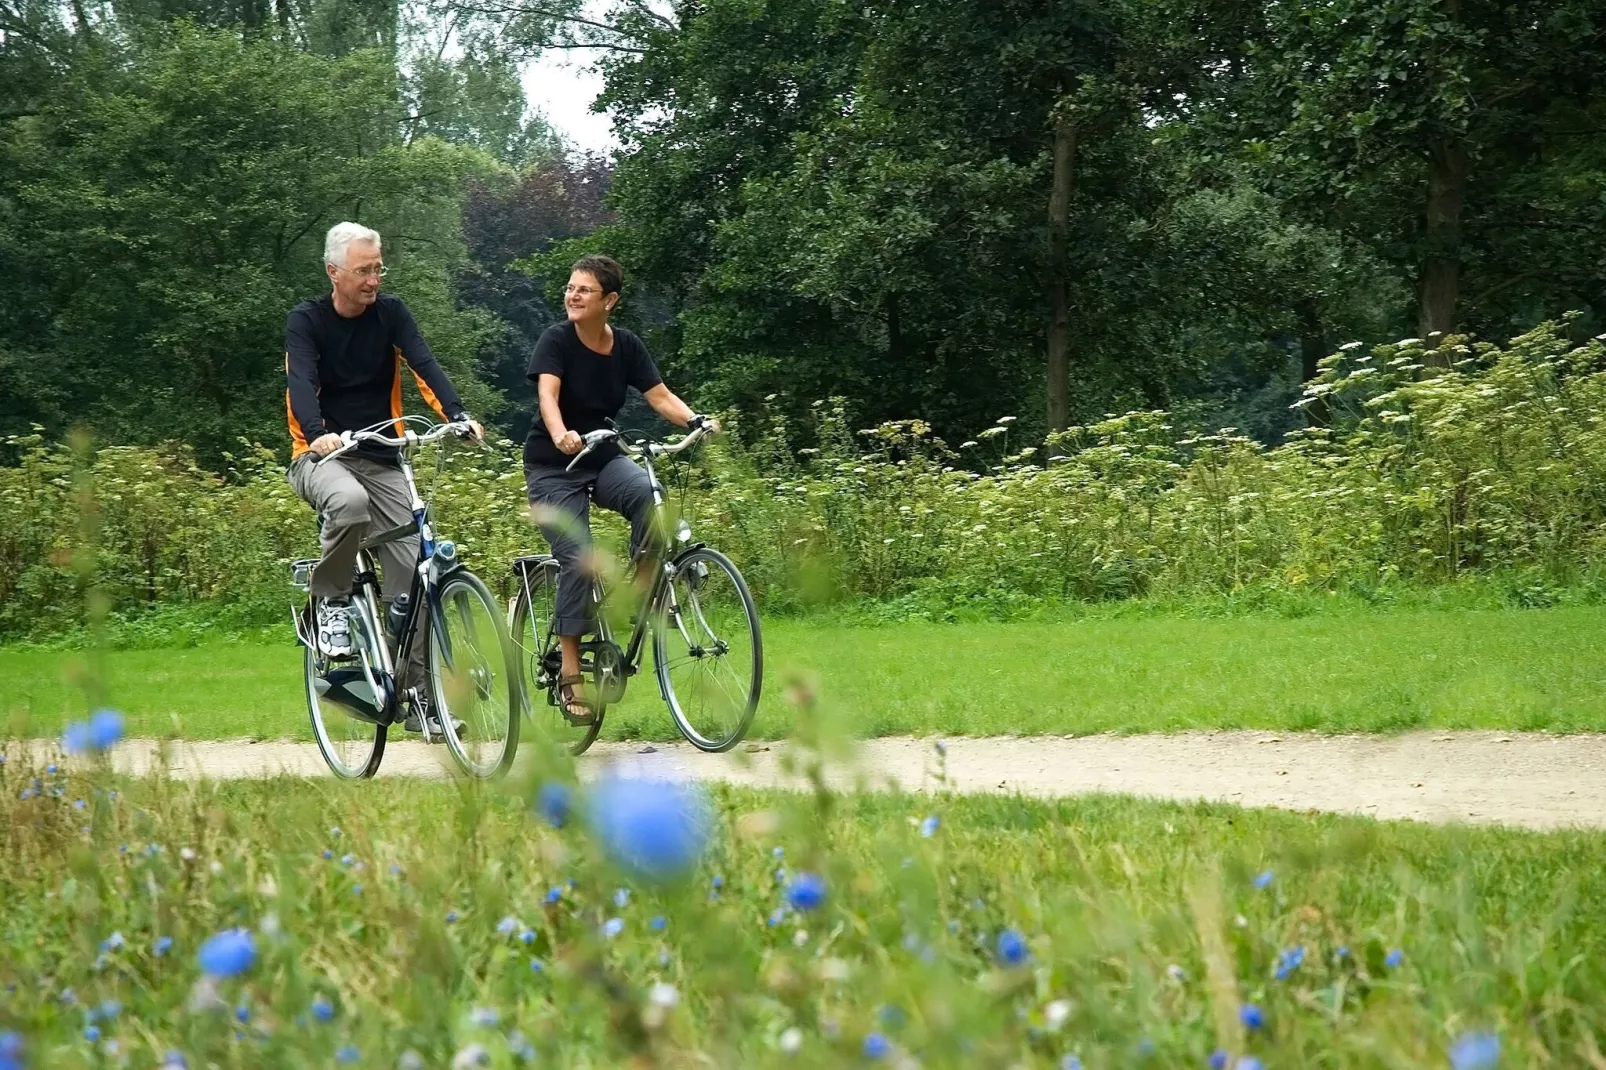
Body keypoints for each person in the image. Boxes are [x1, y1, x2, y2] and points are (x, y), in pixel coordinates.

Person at [285, 221, 484, 735]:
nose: (374, 280)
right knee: (348, 505)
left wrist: (455, 415)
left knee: (413, 576)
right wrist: (316, 434)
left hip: (384, 456)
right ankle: (330, 598)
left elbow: (424, 363)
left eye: (378, 268)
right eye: (363, 270)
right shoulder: (306, 322)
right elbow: (301, 382)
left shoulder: (391, 314)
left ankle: (419, 699)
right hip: (321, 458)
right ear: (334, 272)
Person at [525, 254, 717, 724]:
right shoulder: (557, 341)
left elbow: (659, 395)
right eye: (570, 288)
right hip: (554, 465)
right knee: (579, 557)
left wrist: (696, 420)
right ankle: (571, 674)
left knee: (652, 499)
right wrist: (560, 434)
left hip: (603, 455)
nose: (572, 295)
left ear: (609, 300)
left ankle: (641, 595)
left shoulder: (626, 346)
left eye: (584, 290)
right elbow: (548, 396)